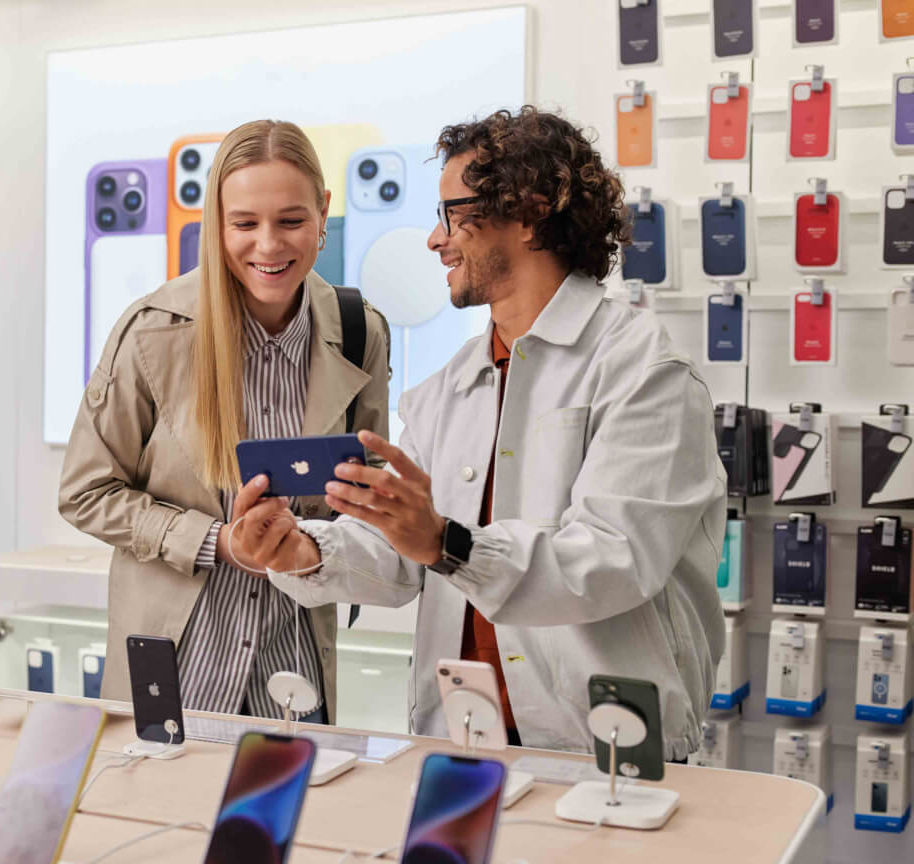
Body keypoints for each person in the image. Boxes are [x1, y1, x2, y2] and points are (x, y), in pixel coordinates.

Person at [229, 107, 725, 759]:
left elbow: (614, 563)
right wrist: (301, 552)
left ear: (528, 213)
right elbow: (408, 561)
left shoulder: (643, 370)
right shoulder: (450, 388)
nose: (437, 241)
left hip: (602, 747)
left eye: (453, 214)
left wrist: (448, 542)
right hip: (462, 739)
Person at [58, 119, 391, 722]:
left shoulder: (359, 331)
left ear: (323, 212)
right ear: (216, 223)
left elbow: (364, 506)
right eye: (245, 224)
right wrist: (217, 544)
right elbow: (85, 492)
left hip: (293, 678)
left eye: (291, 221)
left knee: (286, 818)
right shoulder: (153, 331)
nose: (269, 245)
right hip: (177, 670)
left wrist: (319, 544)